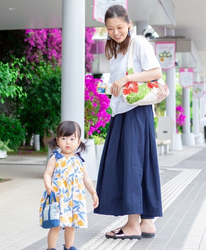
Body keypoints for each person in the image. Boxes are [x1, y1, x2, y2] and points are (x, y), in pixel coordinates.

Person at [94, 5, 163, 240]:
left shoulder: (140, 43)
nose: (115, 32)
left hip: (135, 112)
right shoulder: (114, 49)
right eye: (111, 29)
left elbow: (156, 72)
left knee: (131, 165)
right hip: (125, 111)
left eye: (120, 27)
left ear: (129, 24)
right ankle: (146, 223)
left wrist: (126, 78)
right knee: (137, 165)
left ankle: (132, 225)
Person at [39, 120, 99, 250]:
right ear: (57, 140)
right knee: (56, 225)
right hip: (58, 197)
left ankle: (69, 246)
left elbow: (86, 178)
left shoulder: (79, 160)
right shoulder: (55, 157)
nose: (68, 142)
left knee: (71, 225)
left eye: (72, 139)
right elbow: (48, 174)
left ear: (78, 142)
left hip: (74, 199)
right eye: (64, 138)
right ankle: (51, 248)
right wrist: (48, 186)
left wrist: (93, 192)